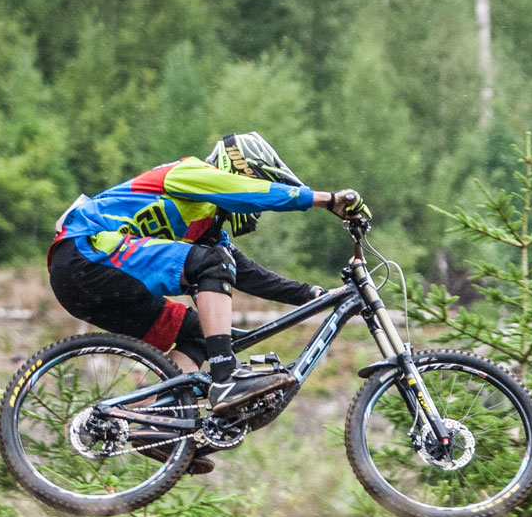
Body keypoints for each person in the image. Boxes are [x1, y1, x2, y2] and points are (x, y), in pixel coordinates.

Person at [47, 132, 367, 420]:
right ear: (235, 170)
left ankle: (153, 422)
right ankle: (225, 378)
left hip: (87, 284)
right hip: (84, 254)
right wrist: (328, 200)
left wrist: (314, 296)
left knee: (199, 334)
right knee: (214, 264)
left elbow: (247, 273)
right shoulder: (191, 173)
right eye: (252, 179)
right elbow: (253, 193)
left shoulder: (207, 228)